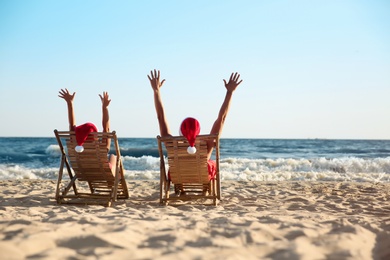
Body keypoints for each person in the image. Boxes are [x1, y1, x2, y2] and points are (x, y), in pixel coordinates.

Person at [148, 69, 243, 180]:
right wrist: (229, 92)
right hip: (202, 177)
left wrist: (156, 91)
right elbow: (222, 118)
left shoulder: (172, 145)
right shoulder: (206, 145)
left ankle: (181, 187)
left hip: (178, 177)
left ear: (181, 131)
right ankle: (208, 189)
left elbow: (160, 117)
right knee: (211, 164)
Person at [58, 89, 117, 175]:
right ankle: (116, 182)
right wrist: (105, 107)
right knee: (113, 157)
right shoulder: (101, 149)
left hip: (83, 172)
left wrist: (70, 103)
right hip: (103, 172)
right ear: (95, 135)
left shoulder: (75, 143)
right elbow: (106, 129)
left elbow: (72, 125)